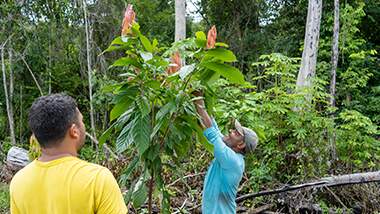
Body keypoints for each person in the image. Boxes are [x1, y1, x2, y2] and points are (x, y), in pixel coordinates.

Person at [9, 93, 127, 214]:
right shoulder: (98, 179)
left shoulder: (19, 182)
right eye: (82, 121)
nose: (84, 125)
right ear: (74, 131)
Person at [193, 91, 258, 214]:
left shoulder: (232, 160)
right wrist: (204, 101)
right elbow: (215, 129)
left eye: (236, 133)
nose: (230, 131)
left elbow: (211, 133)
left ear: (241, 145)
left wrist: (198, 101)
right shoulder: (230, 151)